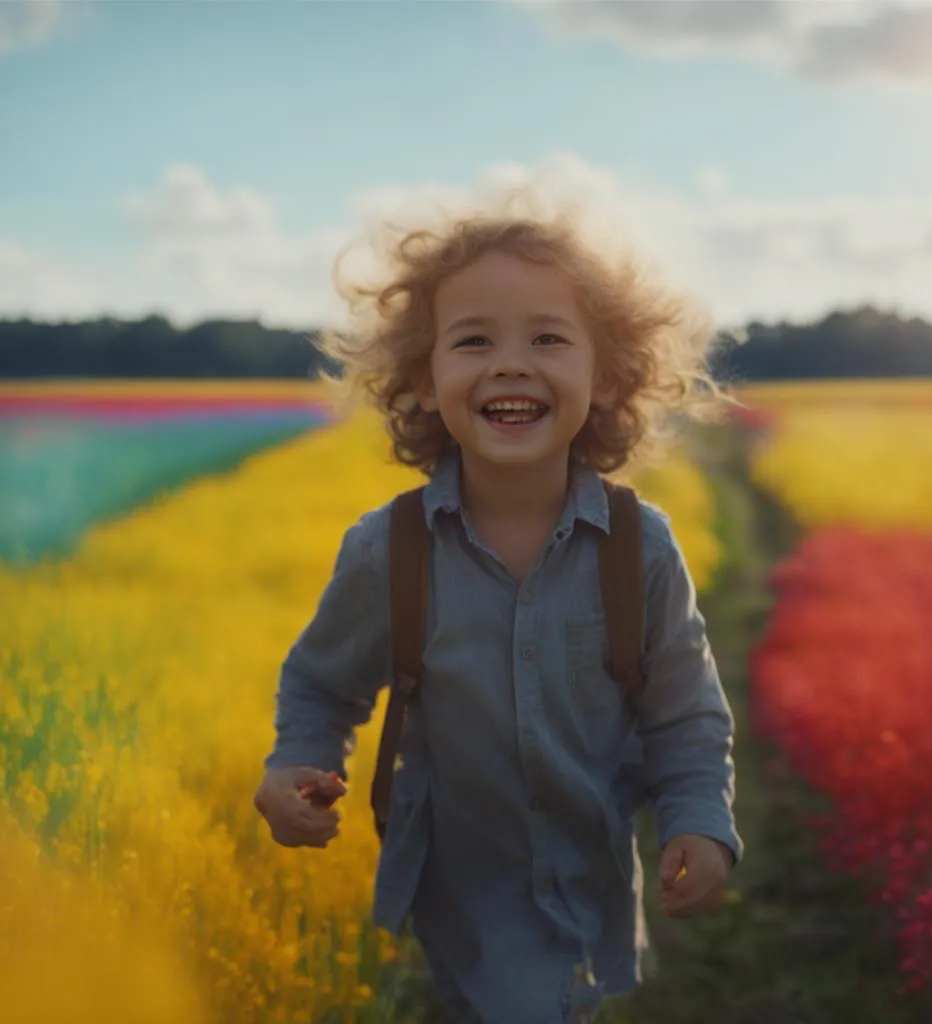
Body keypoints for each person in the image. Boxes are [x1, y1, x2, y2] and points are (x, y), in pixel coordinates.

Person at [253, 201, 742, 1024]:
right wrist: (291, 764)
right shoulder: (389, 551)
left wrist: (701, 820)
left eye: (548, 339)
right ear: (422, 378)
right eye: (474, 340)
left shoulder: (640, 549)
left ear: (609, 373)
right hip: (460, 888)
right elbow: (322, 687)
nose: (511, 364)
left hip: (589, 873)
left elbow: (684, 713)